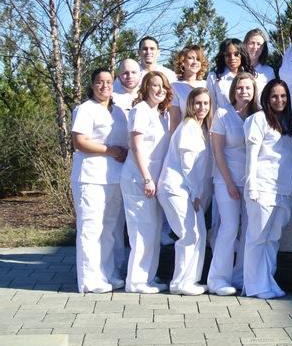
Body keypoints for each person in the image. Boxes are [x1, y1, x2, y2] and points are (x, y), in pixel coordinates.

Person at [71, 69, 129, 293]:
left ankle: (108, 273)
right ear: (92, 85)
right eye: (99, 82)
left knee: (110, 228)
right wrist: (110, 151)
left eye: (108, 82)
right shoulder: (85, 109)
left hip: (114, 177)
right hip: (90, 177)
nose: (104, 86)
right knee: (91, 228)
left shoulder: (119, 112)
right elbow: (80, 142)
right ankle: (90, 279)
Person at [242, 79, 292, 299]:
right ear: (266, 98)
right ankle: (254, 285)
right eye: (274, 96)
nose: (279, 100)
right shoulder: (257, 119)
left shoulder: (289, 123)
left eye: (283, 96)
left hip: (283, 188)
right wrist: (252, 186)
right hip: (262, 187)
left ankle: (267, 280)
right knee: (258, 237)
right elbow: (252, 156)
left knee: (273, 238)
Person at [206, 72, 260, 296]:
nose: (243, 92)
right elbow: (217, 152)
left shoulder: (259, 115)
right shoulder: (222, 113)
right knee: (228, 228)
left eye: (248, 88)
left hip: (251, 183)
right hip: (226, 180)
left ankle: (241, 277)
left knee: (249, 230)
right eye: (239, 88)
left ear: (254, 91)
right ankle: (218, 279)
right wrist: (229, 183)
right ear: (233, 90)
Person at [120, 71, 173, 293]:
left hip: (153, 181)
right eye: (154, 85)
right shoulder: (140, 110)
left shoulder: (160, 114)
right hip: (139, 179)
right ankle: (137, 281)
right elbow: (136, 146)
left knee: (152, 231)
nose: (159, 89)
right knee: (141, 231)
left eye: (163, 86)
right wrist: (147, 178)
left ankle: (148, 278)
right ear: (146, 88)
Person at [158, 87, 213, 296]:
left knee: (199, 232)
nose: (202, 107)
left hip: (188, 190)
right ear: (190, 105)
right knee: (188, 233)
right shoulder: (188, 127)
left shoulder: (200, 128)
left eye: (206, 103)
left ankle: (191, 279)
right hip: (176, 188)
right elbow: (187, 165)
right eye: (197, 103)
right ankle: (180, 282)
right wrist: (196, 193)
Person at [207, 38, 253, 110]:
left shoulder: (250, 75)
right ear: (223, 56)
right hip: (223, 120)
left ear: (242, 55)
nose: (232, 58)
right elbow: (211, 107)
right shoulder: (213, 77)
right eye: (228, 55)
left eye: (236, 54)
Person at [172, 45, 209, 121]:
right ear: (182, 61)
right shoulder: (175, 87)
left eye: (198, 59)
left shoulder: (207, 84)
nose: (195, 62)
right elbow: (174, 119)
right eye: (191, 58)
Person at [243, 28, 275, 95]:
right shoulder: (238, 69)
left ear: (263, 48)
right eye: (252, 43)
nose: (255, 47)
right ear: (245, 45)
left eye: (259, 44)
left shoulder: (269, 71)